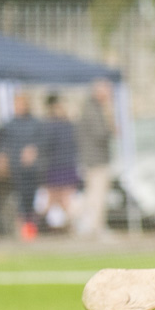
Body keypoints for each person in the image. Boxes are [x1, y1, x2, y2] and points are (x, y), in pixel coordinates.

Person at [0, 92, 43, 241]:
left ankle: (31, 229)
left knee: (31, 199)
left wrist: (34, 150)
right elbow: (1, 143)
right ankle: (19, 229)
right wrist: (1, 156)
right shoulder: (9, 124)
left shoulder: (35, 124)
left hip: (32, 171)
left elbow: (43, 141)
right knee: (18, 199)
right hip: (15, 170)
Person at [75, 80, 114, 238]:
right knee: (96, 195)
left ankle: (90, 226)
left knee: (94, 195)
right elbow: (101, 133)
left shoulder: (92, 108)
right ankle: (95, 228)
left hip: (95, 159)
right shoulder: (92, 109)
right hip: (95, 160)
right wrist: (110, 122)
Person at [40, 93, 81, 232]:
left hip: (67, 166)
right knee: (52, 199)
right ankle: (40, 226)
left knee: (66, 200)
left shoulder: (69, 125)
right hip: (53, 167)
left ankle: (72, 226)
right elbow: (44, 147)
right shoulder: (48, 126)